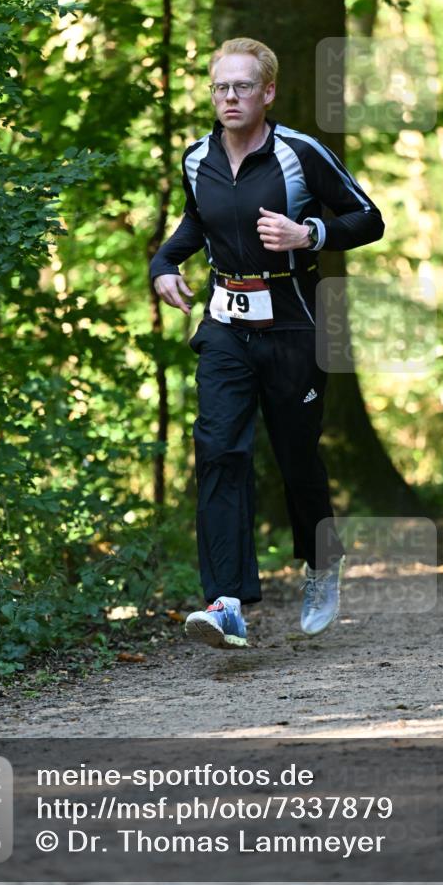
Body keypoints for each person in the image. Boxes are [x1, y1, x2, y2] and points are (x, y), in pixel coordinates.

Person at [149, 38, 384, 649]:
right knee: (219, 450)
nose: (230, 97)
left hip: (294, 326)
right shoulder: (196, 157)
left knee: (297, 457)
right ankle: (225, 603)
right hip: (226, 325)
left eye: (243, 86)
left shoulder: (300, 153)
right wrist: (164, 263)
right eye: (221, 87)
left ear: (268, 91)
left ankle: (319, 558)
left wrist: (307, 233)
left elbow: (368, 217)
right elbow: (196, 223)